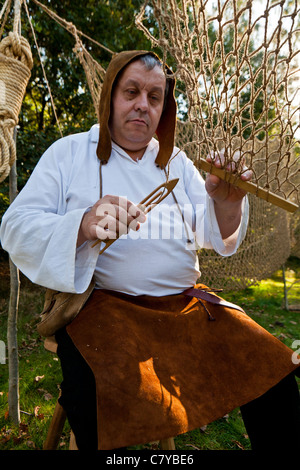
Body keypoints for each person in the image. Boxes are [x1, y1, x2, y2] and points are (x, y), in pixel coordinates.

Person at [0, 50, 299, 451]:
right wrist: (83, 223)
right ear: (110, 97)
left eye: (154, 97)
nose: (143, 104)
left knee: (274, 369)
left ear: (164, 108)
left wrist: (227, 205)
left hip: (186, 308)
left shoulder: (174, 161)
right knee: (95, 396)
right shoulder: (69, 153)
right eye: (132, 91)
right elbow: (14, 226)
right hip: (104, 312)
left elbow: (214, 233)